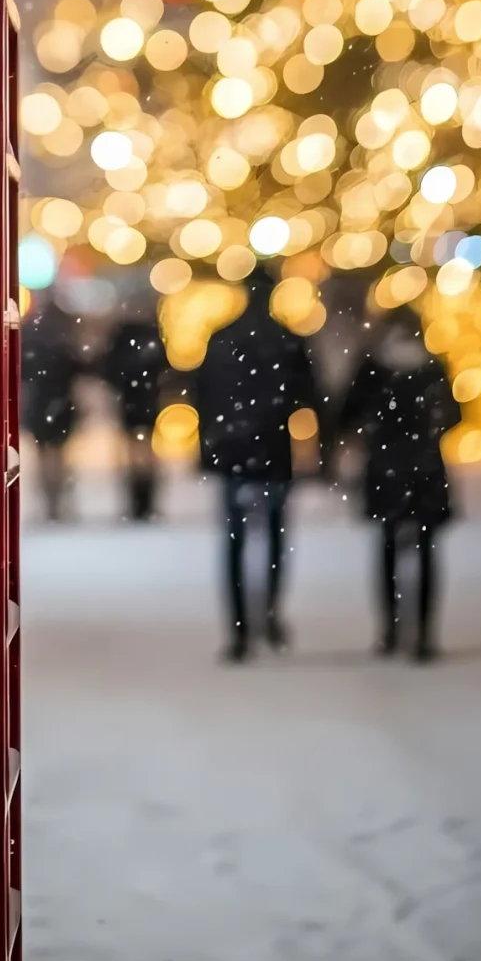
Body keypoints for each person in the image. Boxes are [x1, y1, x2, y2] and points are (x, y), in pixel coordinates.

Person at [190, 260, 318, 661]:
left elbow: (202, 397)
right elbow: (309, 398)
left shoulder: (223, 338)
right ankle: (270, 613)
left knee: (235, 540)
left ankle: (241, 630)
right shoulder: (286, 340)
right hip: (272, 448)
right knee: (276, 536)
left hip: (233, 450)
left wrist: (208, 448)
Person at [339, 302, 459, 662]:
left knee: (388, 548)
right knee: (425, 550)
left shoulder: (374, 366)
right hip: (425, 468)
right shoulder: (431, 366)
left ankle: (390, 629)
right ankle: (423, 633)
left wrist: (372, 433)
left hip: (385, 468)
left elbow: (347, 413)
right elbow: (453, 414)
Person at [102, 284, 168, 521]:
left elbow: (110, 368)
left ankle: (139, 501)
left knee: (136, 451)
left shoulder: (124, 333)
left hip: (133, 399)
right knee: (143, 450)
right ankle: (144, 501)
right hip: (145, 398)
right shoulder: (149, 332)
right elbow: (162, 364)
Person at [20, 292, 82, 521]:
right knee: (59, 453)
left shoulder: (31, 336)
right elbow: (78, 369)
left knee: (43, 452)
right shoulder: (65, 338)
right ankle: (57, 500)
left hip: (40, 401)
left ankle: (48, 500)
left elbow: (23, 370)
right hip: (61, 401)